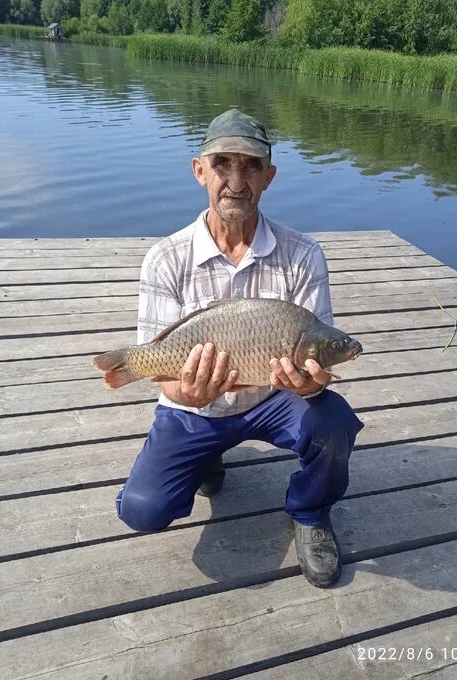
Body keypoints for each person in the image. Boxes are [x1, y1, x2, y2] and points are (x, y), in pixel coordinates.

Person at [116, 108, 364, 588]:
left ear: (269, 176)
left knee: (331, 420)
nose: (236, 180)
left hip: (274, 399)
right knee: (141, 510)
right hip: (193, 410)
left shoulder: (303, 255)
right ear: (200, 171)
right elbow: (166, 376)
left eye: (251, 165)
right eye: (223, 164)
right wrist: (189, 392)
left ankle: (311, 512)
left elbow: (318, 350)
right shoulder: (165, 259)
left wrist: (312, 385)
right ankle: (207, 454)